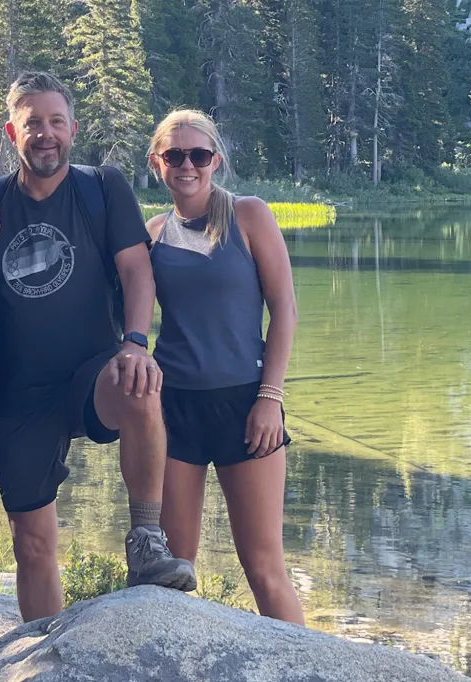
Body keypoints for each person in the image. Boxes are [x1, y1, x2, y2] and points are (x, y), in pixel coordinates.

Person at [0, 72, 196, 623]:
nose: (45, 134)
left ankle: (147, 540)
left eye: (56, 122)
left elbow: (137, 271)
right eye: (33, 124)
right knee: (32, 544)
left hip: (92, 373)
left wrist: (136, 342)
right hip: (17, 393)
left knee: (141, 381)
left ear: (72, 128)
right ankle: (42, 651)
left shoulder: (102, 188)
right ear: (11, 132)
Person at [145, 109, 305, 624]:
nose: (187, 165)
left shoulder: (250, 215)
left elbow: (284, 310)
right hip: (174, 413)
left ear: (216, 160)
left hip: (246, 406)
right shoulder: (151, 235)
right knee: (173, 572)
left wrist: (270, 398)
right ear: (158, 162)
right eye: (175, 155)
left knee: (263, 568)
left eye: (199, 155)